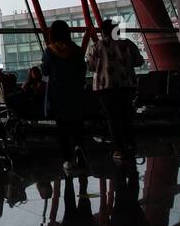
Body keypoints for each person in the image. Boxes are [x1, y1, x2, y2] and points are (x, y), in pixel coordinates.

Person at [86, 18, 145, 163]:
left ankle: (118, 149)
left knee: (112, 118)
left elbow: (91, 67)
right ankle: (131, 144)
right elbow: (139, 61)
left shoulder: (95, 47)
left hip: (105, 88)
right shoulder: (127, 44)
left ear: (102, 31)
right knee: (126, 117)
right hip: (126, 86)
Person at [41, 20, 87, 175]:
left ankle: (67, 159)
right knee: (77, 125)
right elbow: (82, 71)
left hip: (57, 94)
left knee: (62, 129)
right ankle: (79, 149)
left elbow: (45, 71)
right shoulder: (77, 50)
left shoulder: (50, 51)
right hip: (75, 93)